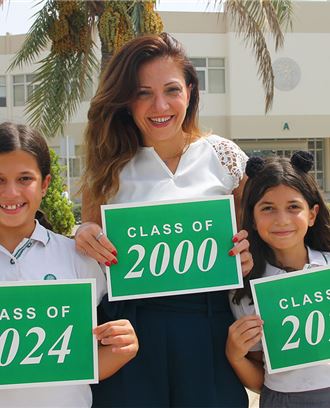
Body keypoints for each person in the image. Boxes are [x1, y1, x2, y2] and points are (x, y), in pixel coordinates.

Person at [75, 32, 253, 407]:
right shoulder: (108, 169)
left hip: (210, 329)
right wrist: (84, 233)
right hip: (131, 331)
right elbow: (89, 256)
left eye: (172, 89)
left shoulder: (225, 158)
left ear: (190, 90)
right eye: (143, 92)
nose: (160, 105)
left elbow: (261, 233)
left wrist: (251, 254)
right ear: (126, 100)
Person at [0, 122, 138, 408]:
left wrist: (123, 346)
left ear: (46, 184)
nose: (11, 193)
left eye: (25, 179)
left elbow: (81, 365)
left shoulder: (78, 258)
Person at [226, 152, 330, 407]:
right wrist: (235, 354)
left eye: (293, 207)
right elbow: (260, 382)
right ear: (253, 216)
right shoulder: (244, 290)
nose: (281, 220)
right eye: (268, 208)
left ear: (312, 214)